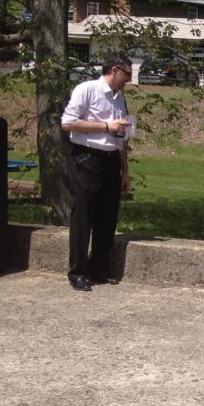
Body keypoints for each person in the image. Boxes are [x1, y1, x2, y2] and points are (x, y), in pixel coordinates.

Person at [60, 53, 134, 291]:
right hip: (87, 159)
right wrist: (105, 126)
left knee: (107, 216)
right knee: (83, 216)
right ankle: (77, 271)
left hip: (111, 161)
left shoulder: (119, 98)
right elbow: (67, 123)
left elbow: (120, 138)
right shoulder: (87, 90)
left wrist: (125, 171)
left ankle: (98, 268)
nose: (129, 79)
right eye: (127, 74)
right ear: (114, 70)